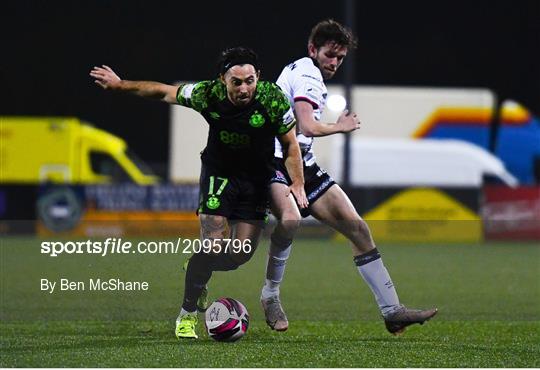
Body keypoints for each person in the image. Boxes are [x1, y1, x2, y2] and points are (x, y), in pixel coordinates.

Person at [90, 46, 308, 339]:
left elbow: (291, 145)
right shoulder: (207, 94)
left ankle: (198, 268)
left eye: (250, 81)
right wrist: (120, 84)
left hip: (256, 180)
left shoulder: (272, 99)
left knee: (238, 256)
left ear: (259, 78)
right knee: (213, 244)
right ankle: (187, 314)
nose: (244, 88)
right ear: (222, 80)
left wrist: (297, 183)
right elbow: (164, 92)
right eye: (236, 82)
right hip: (219, 173)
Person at [260, 19, 437, 335]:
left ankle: (392, 310)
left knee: (357, 227)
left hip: (304, 164)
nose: (334, 62)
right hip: (275, 161)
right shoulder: (307, 75)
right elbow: (306, 126)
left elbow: (303, 132)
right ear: (313, 49)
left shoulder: (304, 70)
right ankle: (270, 294)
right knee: (288, 221)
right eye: (330, 54)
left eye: (340, 58)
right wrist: (340, 126)